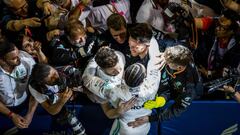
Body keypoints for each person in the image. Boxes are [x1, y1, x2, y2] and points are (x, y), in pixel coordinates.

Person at [128, 45, 203, 128]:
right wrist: (165, 55)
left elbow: (176, 110)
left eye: (167, 62)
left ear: (179, 67)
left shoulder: (189, 88)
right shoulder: (183, 53)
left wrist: (150, 118)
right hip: (170, 82)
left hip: (179, 93)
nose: (164, 61)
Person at [28, 63, 86, 135]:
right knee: (63, 118)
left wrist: (76, 91)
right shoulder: (35, 87)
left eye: (54, 73)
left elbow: (85, 86)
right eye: (51, 79)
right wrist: (62, 101)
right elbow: (51, 110)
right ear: (42, 83)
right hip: (57, 102)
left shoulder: (68, 71)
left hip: (76, 95)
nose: (56, 77)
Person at [0, 40, 38, 132]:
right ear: (2, 60)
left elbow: (37, 88)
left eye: (18, 54)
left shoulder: (27, 61)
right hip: (3, 108)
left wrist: (30, 114)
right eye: (14, 58)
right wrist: (11, 115)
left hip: (25, 104)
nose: (19, 59)